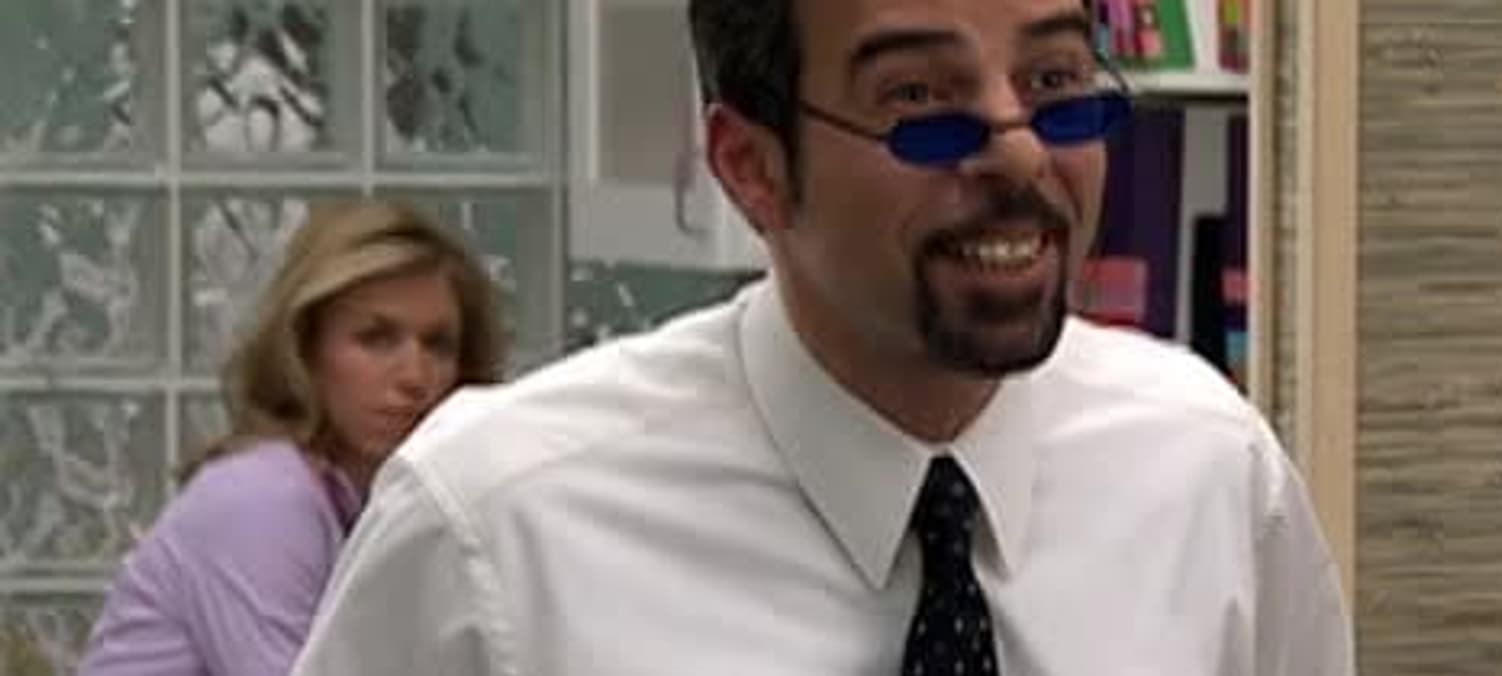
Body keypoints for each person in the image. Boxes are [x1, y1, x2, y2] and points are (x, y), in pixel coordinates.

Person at [290, 0, 1354, 673]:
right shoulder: (497, 529)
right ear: (751, 167)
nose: (1022, 155)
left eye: (1054, 84)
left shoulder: (1210, 474)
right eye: (919, 96)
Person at [77, 199, 506, 676]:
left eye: (438, 345)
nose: (414, 375)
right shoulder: (263, 494)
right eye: (376, 338)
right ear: (305, 350)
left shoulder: (383, 509)